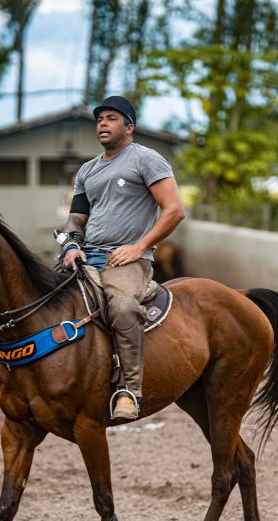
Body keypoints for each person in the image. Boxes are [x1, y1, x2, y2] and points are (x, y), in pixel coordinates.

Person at [57, 95, 185, 421]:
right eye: (100, 119)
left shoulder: (146, 159)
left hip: (125, 260)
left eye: (111, 118)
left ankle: (129, 390)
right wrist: (71, 245)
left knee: (123, 308)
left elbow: (174, 211)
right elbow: (76, 219)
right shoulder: (87, 170)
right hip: (86, 256)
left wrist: (139, 248)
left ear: (129, 127)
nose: (102, 123)